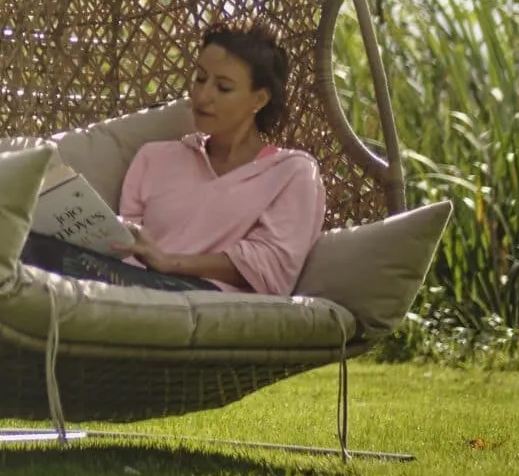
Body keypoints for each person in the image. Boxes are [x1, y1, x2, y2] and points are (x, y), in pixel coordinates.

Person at [20, 18, 325, 296]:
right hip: (130, 286)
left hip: (206, 296)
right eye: (200, 78)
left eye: (223, 87)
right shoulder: (155, 157)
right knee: (24, 241)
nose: (203, 96)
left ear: (259, 99)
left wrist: (171, 262)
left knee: (35, 254)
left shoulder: (292, 172)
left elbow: (272, 264)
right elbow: (127, 250)